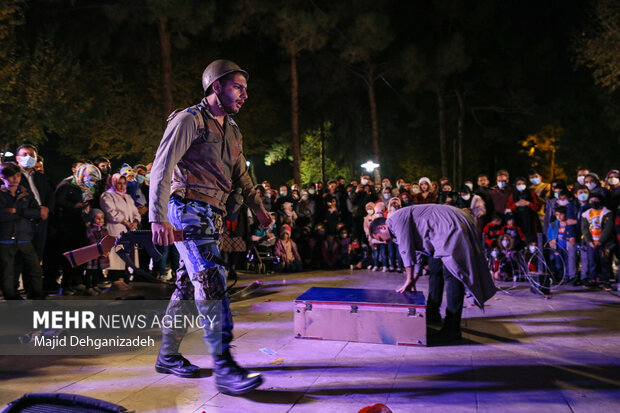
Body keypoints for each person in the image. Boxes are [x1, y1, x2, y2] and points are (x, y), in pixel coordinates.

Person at [149, 59, 271, 395]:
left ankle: (167, 355)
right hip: (186, 208)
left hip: (211, 213)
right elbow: (162, 167)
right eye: (238, 87)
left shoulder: (232, 129)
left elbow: (242, 174)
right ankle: (225, 367)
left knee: (189, 286)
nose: (245, 94)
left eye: (246, 89)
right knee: (211, 279)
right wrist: (156, 217)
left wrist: (258, 208)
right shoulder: (190, 120)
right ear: (215, 86)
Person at [369, 204, 496, 343]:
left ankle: (452, 329)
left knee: (453, 275)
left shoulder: (395, 220)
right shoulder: (397, 227)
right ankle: (433, 313)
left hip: (450, 227)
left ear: (382, 228)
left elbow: (406, 250)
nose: (384, 242)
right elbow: (416, 253)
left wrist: (409, 278)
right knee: (436, 270)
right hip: (446, 227)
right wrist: (414, 279)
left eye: (381, 238)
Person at [0, 162, 44, 300]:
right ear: (2, 177)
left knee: (35, 269)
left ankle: (37, 296)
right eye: (10, 176)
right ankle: (11, 297)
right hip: (5, 238)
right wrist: (23, 214)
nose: (15, 179)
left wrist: (16, 211)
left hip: (25, 237)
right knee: (7, 272)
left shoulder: (26, 193)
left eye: (17, 175)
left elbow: (37, 212)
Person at [100, 173, 141, 290]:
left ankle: (122, 279)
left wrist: (135, 222)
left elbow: (135, 212)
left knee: (125, 255)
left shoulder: (127, 197)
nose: (122, 186)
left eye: (124, 183)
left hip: (128, 231)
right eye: (119, 183)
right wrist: (127, 222)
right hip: (115, 228)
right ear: (113, 183)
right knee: (116, 256)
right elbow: (111, 212)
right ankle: (115, 280)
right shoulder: (107, 196)